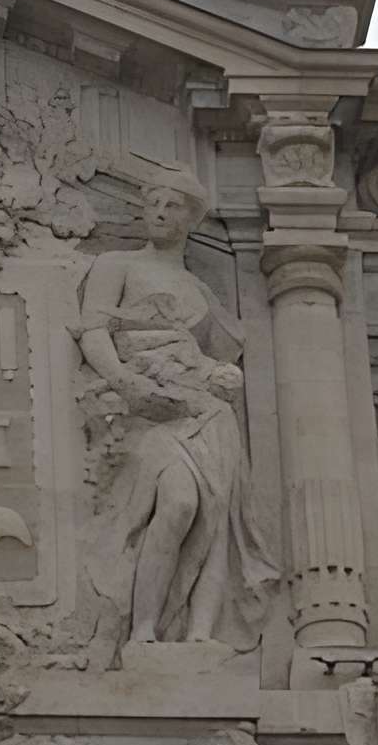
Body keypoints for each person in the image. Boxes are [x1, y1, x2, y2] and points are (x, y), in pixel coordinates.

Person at [77, 167, 278, 654]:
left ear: (190, 219)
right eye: (153, 205)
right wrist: (128, 382)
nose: (160, 214)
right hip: (149, 409)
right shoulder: (116, 264)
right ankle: (144, 629)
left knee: (213, 525)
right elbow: (93, 333)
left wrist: (220, 375)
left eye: (171, 206)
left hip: (206, 412)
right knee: (179, 503)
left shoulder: (200, 291)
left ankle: (200, 636)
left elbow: (216, 356)